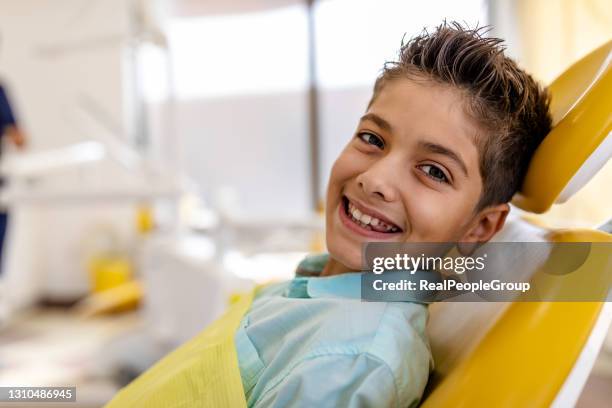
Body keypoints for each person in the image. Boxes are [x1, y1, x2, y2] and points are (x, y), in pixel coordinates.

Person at [107, 22, 552, 407]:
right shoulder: (321, 288)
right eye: (373, 139)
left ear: (480, 226)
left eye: (433, 171)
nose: (376, 179)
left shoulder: (349, 361)